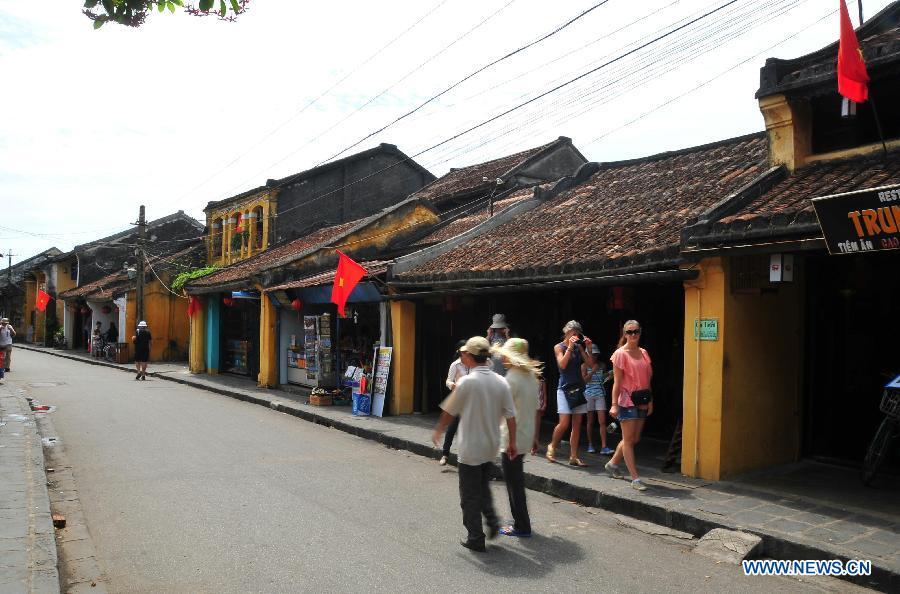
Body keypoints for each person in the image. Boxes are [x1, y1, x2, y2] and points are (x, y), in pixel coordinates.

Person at [432, 336, 517, 553]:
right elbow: (511, 416)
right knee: (483, 487)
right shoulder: (501, 381)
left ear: (470, 356)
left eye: (465, 353)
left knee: (469, 495)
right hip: (491, 445)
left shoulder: (467, 382)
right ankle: (492, 520)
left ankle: (476, 537)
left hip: (470, 448)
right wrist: (513, 443)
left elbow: (449, 411)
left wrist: (439, 431)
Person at [495, 338, 540, 538]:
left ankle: (521, 525)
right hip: (525, 436)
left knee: (514, 484)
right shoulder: (531, 377)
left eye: (505, 354)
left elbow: (505, 412)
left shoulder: (511, 379)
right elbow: (536, 410)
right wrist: (535, 437)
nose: (503, 358)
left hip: (511, 439)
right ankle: (521, 521)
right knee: (516, 481)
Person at [606, 320, 653, 491]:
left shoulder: (644, 352)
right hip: (627, 400)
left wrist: (650, 401)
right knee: (628, 440)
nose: (633, 335)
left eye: (636, 331)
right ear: (624, 333)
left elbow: (648, 379)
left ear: (640, 332)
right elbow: (617, 382)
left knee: (633, 439)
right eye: (629, 332)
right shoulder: (620, 354)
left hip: (642, 399)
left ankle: (612, 464)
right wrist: (614, 404)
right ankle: (635, 478)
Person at [547, 320, 593, 466]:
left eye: (578, 333)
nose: (576, 335)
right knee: (564, 422)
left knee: (577, 424)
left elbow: (590, 364)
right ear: (566, 332)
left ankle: (573, 456)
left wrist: (588, 349)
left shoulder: (579, 347)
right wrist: (570, 347)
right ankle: (552, 446)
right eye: (573, 332)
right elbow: (562, 364)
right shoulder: (559, 347)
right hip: (564, 388)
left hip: (578, 387)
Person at [440, 340, 469, 466]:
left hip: (470, 400)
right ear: (459, 352)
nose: (467, 353)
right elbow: (448, 380)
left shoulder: (473, 363)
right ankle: (445, 454)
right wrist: (452, 385)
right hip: (457, 399)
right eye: (464, 351)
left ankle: (467, 456)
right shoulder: (455, 365)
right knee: (452, 427)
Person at [584, 344, 613, 455]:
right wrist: (592, 371)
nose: (594, 356)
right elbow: (584, 381)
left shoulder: (602, 365)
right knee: (590, 421)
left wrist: (609, 375)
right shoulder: (584, 366)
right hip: (588, 395)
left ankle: (604, 446)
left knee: (602, 421)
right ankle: (590, 444)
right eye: (592, 354)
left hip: (600, 394)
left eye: (596, 354)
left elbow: (603, 378)